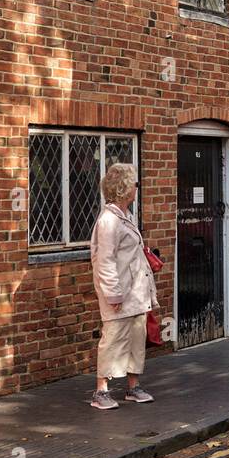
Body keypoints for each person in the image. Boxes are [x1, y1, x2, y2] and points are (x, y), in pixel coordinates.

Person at [88, 162, 158, 409]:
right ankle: (101, 392)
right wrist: (114, 294)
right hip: (120, 293)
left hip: (136, 292)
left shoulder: (125, 216)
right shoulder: (108, 221)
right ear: (125, 188)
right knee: (113, 339)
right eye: (135, 184)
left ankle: (133, 387)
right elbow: (104, 261)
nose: (137, 188)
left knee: (136, 340)